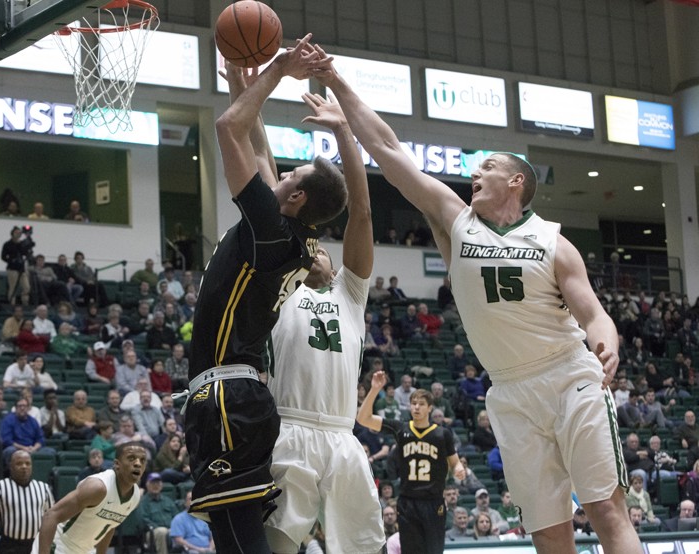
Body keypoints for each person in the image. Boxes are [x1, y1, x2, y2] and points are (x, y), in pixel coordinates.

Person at [323, 56, 641, 553]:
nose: (475, 172)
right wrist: (337, 81)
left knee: (605, 508)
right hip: (510, 392)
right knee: (548, 529)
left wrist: (606, 343)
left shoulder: (554, 243)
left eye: (488, 166)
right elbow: (387, 148)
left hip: (569, 374)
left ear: (517, 182)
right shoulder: (455, 220)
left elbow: (594, 314)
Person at [183, 41, 344, 554]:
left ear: (296, 199)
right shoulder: (286, 235)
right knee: (235, 537)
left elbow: (230, 129)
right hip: (240, 395)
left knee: (238, 539)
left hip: (229, 398)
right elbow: (262, 154)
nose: (282, 175)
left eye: (294, 177)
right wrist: (241, 81)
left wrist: (277, 69)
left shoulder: (271, 233)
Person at [263, 91, 381, 553]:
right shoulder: (281, 288)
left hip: (341, 435)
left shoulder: (350, 294)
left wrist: (343, 132)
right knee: (277, 546)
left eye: (322, 249)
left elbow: (363, 213)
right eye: (308, 247)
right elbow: (267, 181)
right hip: (287, 429)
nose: (314, 252)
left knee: (364, 548)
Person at [358, 370, 465, 554]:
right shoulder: (401, 429)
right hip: (408, 502)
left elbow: (455, 462)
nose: (416, 407)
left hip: (433, 502)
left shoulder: (442, 434)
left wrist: (459, 468)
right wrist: (375, 389)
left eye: (421, 404)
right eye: (413, 403)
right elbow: (363, 418)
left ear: (430, 408)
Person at [33, 441, 147, 554]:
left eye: (143, 460)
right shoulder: (97, 487)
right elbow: (50, 515)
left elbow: (110, 526)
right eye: (131, 458)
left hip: (86, 550)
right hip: (57, 546)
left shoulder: (135, 497)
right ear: (117, 464)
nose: (138, 464)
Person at [0, 450, 54, 554]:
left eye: (27, 463)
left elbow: (51, 518)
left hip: (36, 544)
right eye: (19, 463)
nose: (24, 467)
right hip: (10, 546)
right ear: (11, 466)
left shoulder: (43, 488)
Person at [0, 396, 56, 465]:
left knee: (50, 451)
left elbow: (40, 438)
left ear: (28, 408)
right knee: (10, 451)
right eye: (20, 406)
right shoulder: (8, 420)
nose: (22, 408)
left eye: (24, 406)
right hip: (16, 448)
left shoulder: (33, 421)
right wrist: (24, 448)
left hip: (32, 448)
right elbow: (7, 440)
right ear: (15, 408)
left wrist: (34, 448)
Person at [139, 472, 181, 554]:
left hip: (171, 529)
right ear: (147, 485)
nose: (155, 485)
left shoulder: (168, 500)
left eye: (158, 483)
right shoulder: (143, 502)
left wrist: (174, 528)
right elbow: (144, 520)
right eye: (153, 483)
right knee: (162, 531)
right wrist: (164, 529)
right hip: (152, 532)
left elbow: (177, 517)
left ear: (161, 485)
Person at [1, 226, 32, 306]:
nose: (18, 234)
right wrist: (11, 260)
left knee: (26, 287)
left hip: (21, 268)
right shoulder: (7, 244)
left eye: (19, 233)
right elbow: (3, 256)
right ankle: (12, 303)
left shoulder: (22, 243)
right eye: (16, 233)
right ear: (12, 233)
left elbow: (26, 252)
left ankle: (25, 302)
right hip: (12, 268)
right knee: (13, 287)